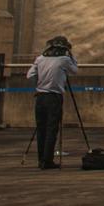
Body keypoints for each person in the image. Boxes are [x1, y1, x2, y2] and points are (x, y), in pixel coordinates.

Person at [26, 36, 78, 170]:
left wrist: (38, 85)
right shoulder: (64, 60)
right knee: (51, 129)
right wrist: (71, 56)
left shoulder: (40, 59)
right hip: (54, 97)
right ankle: (47, 160)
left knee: (41, 129)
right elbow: (75, 71)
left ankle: (41, 160)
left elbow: (30, 75)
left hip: (40, 96)